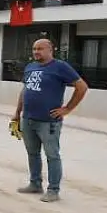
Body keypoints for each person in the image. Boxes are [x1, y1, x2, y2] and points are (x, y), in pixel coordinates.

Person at [11, 38, 88, 203]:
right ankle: (35, 183)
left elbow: (82, 87)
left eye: (40, 49)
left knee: (52, 155)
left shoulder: (60, 67)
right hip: (28, 119)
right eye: (34, 49)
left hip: (48, 122)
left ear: (50, 50)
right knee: (32, 153)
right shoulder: (30, 67)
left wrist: (67, 109)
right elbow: (25, 90)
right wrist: (18, 112)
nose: (36, 52)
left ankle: (53, 189)